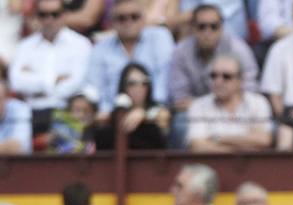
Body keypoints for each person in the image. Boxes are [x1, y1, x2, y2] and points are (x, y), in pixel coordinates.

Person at [8, 0, 93, 133]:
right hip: (30, 113)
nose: (49, 19)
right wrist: (54, 80)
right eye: (43, 15)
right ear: (37, 16)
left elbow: (76, 83)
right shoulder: (25, 46)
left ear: (64, 15)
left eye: (55, 14)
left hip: (65, 110)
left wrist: (35, 82)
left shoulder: (81, 44)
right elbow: (16, 82)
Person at [85, 0, 174, 117]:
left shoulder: (160, 37)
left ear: (143, 18)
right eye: (122, 18)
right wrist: (107, 112)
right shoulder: (100, 48)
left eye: (134, 17)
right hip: (113, 115)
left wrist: (150, 109)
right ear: (112, 22)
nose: (129, 22)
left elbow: (165, 78)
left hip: (154, 111)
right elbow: (95, 86)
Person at [167, 3, 259, 114]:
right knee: (180, 122)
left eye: (213, 26)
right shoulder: (181, 52)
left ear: (221, 27)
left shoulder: (238, 49)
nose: (207, 32)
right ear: (192, 28)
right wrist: (211, 106)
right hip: (196, 114)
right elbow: (180, 100)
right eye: (202, 27)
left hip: (234, 111)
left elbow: (250, 91)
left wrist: (216, 106)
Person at [186, 52, 273, 151]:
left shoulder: (258, 102)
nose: (218, 81)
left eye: (226, 76)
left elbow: (263, 140)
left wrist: (217, 138)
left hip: (253, 166)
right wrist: (242, 147)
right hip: (210, 165)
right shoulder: (199, 105)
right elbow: (198, 146)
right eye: (214, 76)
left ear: (240, 80)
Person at [90, 62, 171, 149]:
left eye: (144, 83)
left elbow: (164, 117)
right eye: (132, 83)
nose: (139, 87)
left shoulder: (157, 109)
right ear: (123, 86)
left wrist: (144, 115)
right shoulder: (117, 110)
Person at [0, 69, 34, 155]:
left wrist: (7, 147)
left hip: (16, 166)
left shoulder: (20, 108)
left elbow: (17, 147)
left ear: (7, 98)